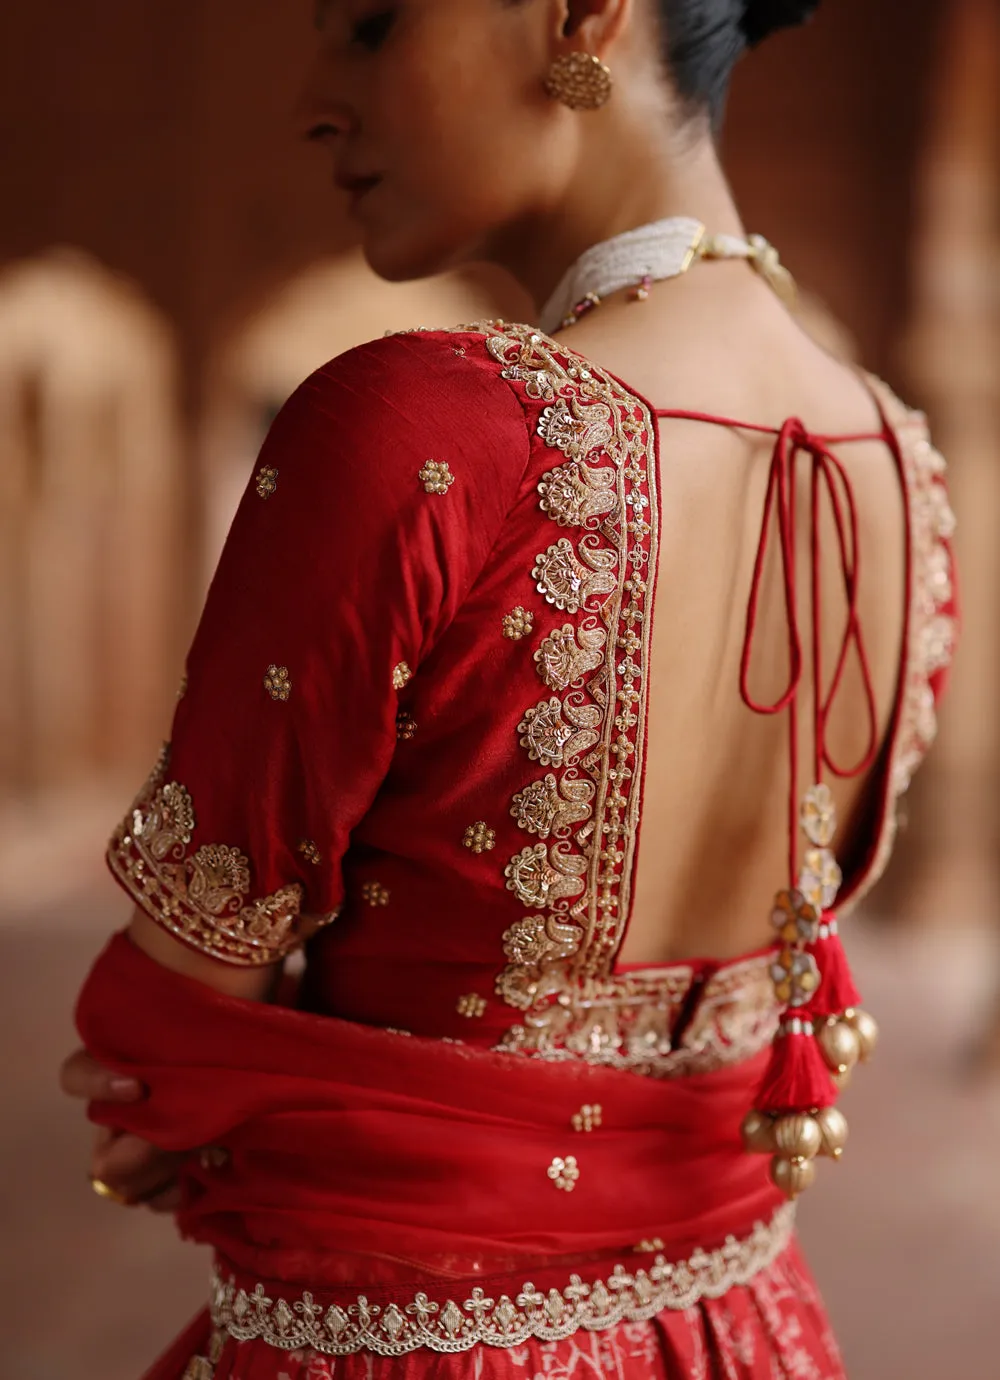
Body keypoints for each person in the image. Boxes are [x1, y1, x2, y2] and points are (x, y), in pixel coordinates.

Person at [60, 0, 959, 1376]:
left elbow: (163, 1037)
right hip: (751, 1333)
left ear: (585, 12)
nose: (313, 98)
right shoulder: (902, 466)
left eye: (369, 25)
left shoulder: (421, 430)